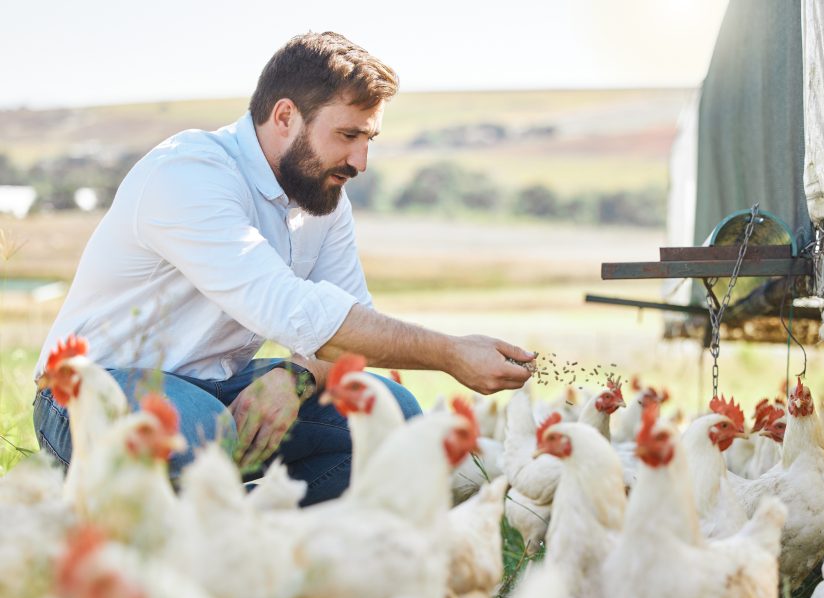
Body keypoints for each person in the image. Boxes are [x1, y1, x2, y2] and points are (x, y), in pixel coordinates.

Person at [32, 32, 535, 505]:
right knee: (200, 430)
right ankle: (141, 534)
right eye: (348, 135)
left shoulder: (324, 201)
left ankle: (265, 544)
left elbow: (350, 332)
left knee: (391, 417)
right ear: (285, 117)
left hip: (216, 388)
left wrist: (297, 375)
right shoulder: (188, 175)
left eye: (369, 139)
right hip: (85, 392)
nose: (360, 161)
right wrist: (450, 352)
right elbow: (291, 308)